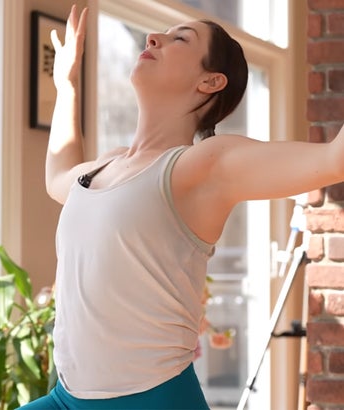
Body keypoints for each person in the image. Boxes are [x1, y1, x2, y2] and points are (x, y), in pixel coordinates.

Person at [19, 4, 344, 410]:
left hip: (152, 401)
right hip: (65, 399)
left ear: (210, 81)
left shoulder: (202, 166)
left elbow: (334, 160)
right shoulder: (105, 165)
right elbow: (57, 177)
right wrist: (66, 84)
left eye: (180, 39)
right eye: (161, 33)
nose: (154, 38)